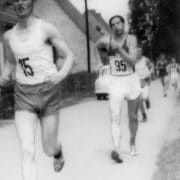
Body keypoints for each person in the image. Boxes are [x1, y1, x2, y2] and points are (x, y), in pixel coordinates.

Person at [0, 0, 74, 180]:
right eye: (15, 0)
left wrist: (61, 73)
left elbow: (69, 55)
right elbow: (10, 61)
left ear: (33, 2)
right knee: (27, 150)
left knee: (48, 148)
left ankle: (57, 151)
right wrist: (4, 74)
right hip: (23, 94)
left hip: (48, 92)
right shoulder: (9, 36)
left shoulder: (46, 29)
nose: (20, 3)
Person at [96, 15, 141, 163]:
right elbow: (104, 61)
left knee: (133, 116)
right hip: (115, 81)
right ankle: (116, 149)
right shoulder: (106, 40)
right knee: (114, 117)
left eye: (118, 23)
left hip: (131, 81)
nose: (116, 26)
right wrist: (101, 50)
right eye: (113, 24)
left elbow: (133, 60)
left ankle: (132, 142)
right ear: (111, 27)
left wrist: (119, 49)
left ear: (123, 24)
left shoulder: (131, 39)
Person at [135, 46, 153, 122]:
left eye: (139, 52)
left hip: (145, 81)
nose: (137, 54)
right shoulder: (134, 61)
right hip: (137, 82)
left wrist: (149, 73)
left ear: (141, 53)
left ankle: (147, 100)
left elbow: (152, 67)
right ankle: (144, 116)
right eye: (136, 52)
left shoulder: (145, 60)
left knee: (144, 97)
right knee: (138, 101)